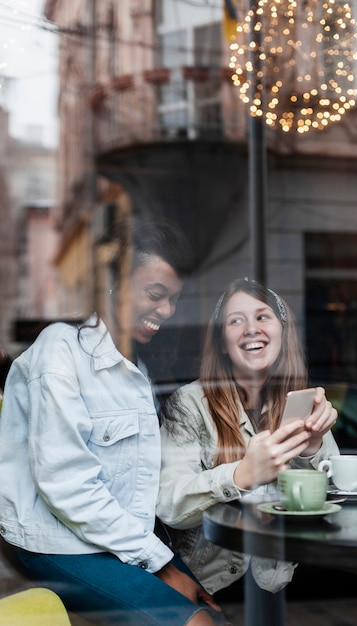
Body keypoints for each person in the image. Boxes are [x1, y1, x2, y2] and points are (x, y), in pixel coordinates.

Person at [0, 217, 228, 626]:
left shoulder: (139, 367)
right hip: (57, 542)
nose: (167, 311)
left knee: (210, 610)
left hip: (117, 539)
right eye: (156, 295)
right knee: (196, 623)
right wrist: (160, 564)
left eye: (174, 299)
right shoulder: (60, 352)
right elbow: (68, 488)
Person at [157, 276, 339, 598]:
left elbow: (338, 502)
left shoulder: (300, 402)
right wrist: (242, 475)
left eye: (262, 316)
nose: (251, 328)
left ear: (283, 332)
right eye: (235, 321)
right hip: (216, 584)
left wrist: (313, 448)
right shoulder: (189, 404)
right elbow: (170, 504)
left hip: (286, 572)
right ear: (223, 345)